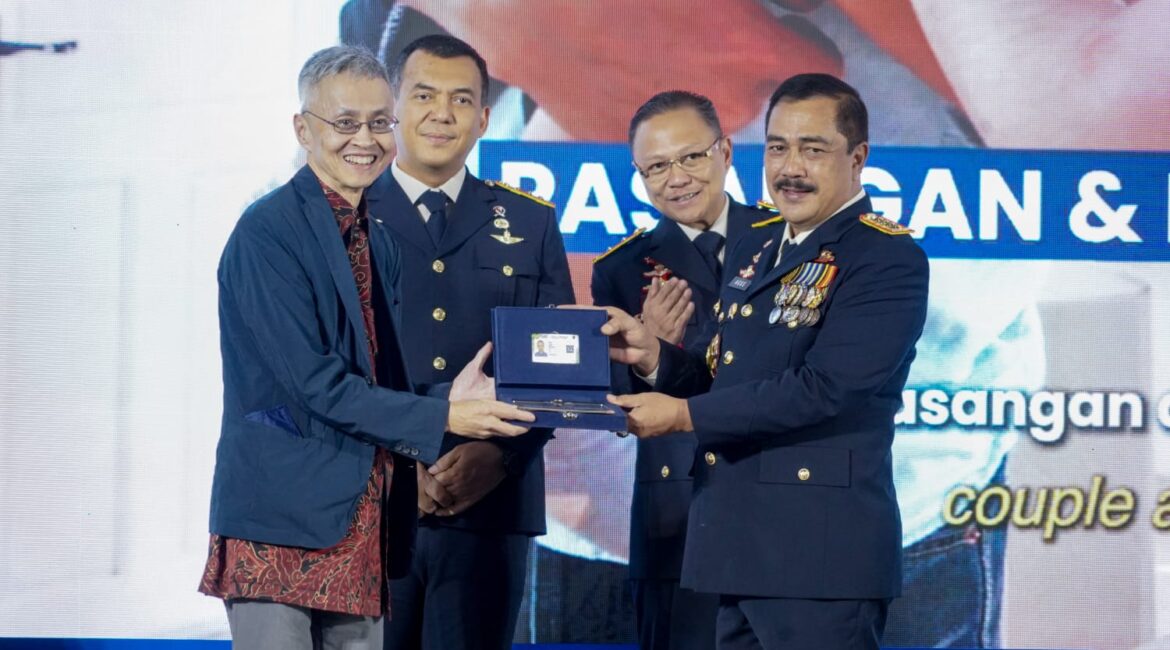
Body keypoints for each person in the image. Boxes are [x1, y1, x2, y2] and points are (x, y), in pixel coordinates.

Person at [198, 45, 534, 649]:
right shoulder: (268, 231)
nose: (366, 139)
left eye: (380, 122)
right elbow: (316, 385)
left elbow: (372, 379)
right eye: (345, 123)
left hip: (363, 521)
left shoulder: (374, 237)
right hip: (281, 520)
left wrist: (443, 397)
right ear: (304, 129)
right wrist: (444, 416)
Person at [606, 74, 929, 649]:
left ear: (858, 158)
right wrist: (654, 358)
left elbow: (824, 388)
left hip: (819, 561)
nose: (790, 168)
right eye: (778, 147)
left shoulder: (886, 257)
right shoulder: (757, 249)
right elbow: (724, 376)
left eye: (813, 149)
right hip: (736, 552)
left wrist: (681, 416)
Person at [365, 34, 575, 650]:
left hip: (492, 509)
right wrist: (403, 458)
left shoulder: (531, 222)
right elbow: (327, 367)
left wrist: (502, 457)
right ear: (393, 107)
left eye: (461, 99)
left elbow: (558, 364)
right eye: (424, 95)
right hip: (371, 507)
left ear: (484, 118)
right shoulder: (346, 215)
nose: (442, 113)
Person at [590, 90, 777, 650]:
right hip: (676, 514)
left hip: (778, 501)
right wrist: (649, 351)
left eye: (691, 157)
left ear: (725, 151)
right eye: (656, 167)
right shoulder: (621, 268)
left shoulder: (787, 241)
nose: (676, 179)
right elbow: (614, 407)